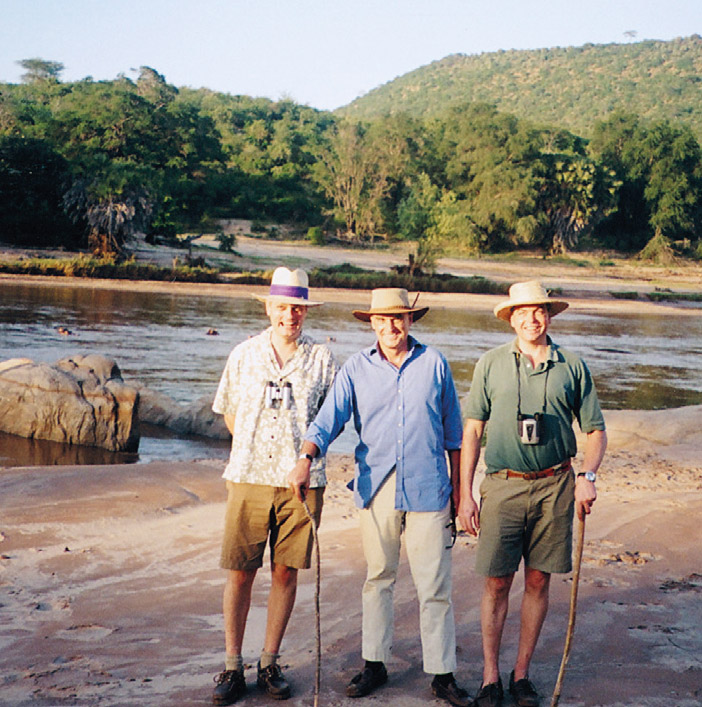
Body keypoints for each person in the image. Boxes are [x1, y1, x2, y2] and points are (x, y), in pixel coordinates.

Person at [289, 288, 471, 707]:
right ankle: (375, 663)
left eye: (399, 318)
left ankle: (442, 675)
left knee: (435, 586)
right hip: (376, 487)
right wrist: (305, 458)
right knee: (378, 579)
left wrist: (461, 492)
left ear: (410, 321)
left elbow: (454, 435)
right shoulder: (355, 368)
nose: (391, 326)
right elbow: (327, 421)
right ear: (371, 323)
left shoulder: (435, 363)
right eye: (383, 319)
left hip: (431, 488)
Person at [458, 281, 607, 707]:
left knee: (539, 579)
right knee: (497, 583)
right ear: (510, 317)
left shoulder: (572, 365)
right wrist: (465, 494)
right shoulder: (489, 364)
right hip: (502, 486)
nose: (531, 318)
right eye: (522, 312)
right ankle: (490, 677)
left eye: (538, 310)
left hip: (555, 486)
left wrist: (588, 476)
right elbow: (472, 430)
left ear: (549, 315)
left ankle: (521, 675)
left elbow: (595, 431)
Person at [211, 267, 338, 705]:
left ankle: (269, 661)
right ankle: (232, 666)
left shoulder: (322, 359)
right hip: (246, 477)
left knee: (285, 572)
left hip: (302, 484)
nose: (291, 315)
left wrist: (298, 456)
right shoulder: (243, 354)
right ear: (268, 308)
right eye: (283, 306)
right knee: (240, 571)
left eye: (298, 307)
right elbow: (228, 412)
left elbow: (330, 421)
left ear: (306, 312)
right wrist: (253, 446)